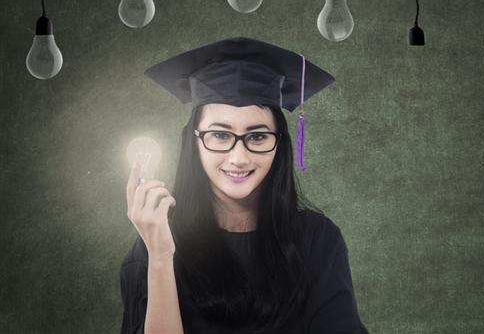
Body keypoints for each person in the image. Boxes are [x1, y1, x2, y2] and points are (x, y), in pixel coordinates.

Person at [120, 37, 369, 334]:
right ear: (194, 142)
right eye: (221, 136)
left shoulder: (317, 241)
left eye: (258, 136)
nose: (239, 158)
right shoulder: (155, 243)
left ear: (280, 144)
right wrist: (160, 256)